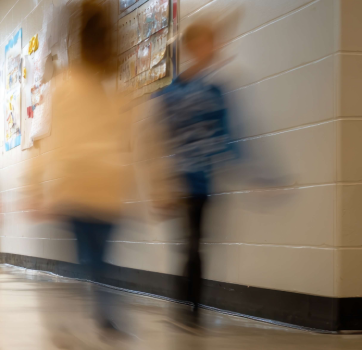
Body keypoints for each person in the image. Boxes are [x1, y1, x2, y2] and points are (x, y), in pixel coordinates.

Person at [26, 0, 132, 331]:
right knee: (99, 254)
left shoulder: (64, 86)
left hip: (77, 187)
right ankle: (105, 307)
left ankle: (100, 303)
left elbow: (46, 141)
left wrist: (35, 186)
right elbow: (139, 140)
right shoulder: (120, 86)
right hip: (108, 186)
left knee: (90, 255)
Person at [150, 19, 240, 327]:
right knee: (191, 243)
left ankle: (191, 308)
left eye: (213, 44)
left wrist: (254, 172)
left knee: (196, 243)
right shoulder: (173, 92)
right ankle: (187, 308)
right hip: (179, 180)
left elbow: (227, 136)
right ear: (191, 48)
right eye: (205, 43)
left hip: (203, 181)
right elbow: (154, 134)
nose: (212, 49)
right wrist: (158, 183)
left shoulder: (215, 91)